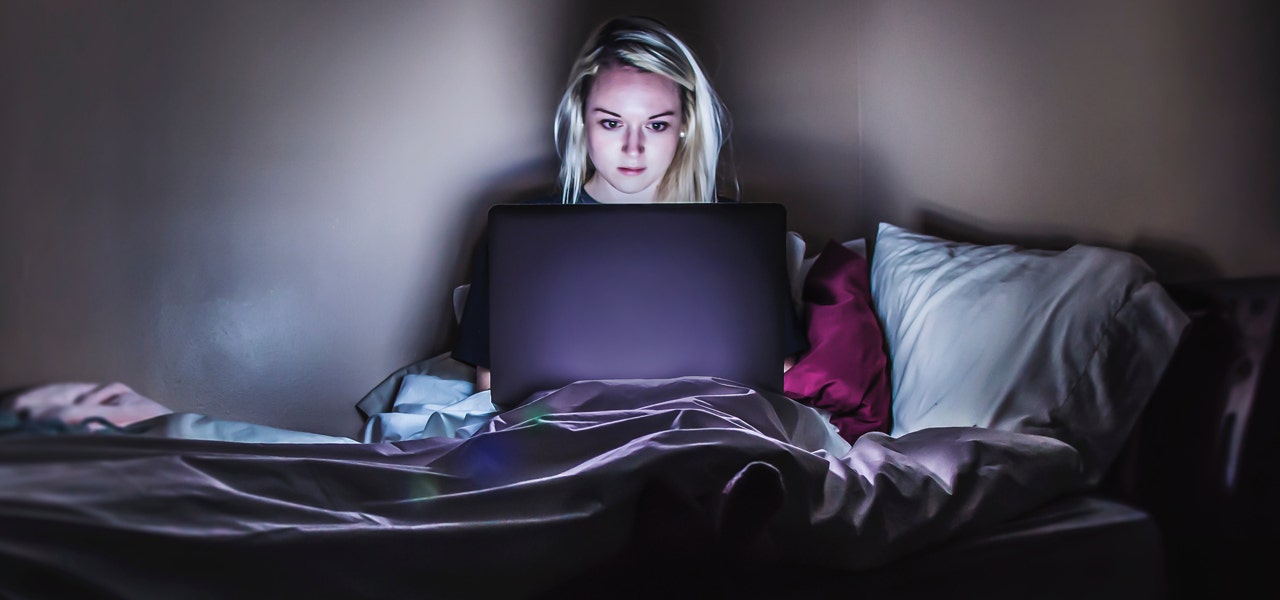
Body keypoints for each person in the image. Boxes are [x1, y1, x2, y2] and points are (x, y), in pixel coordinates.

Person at [452, 15, 807, 392]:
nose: (633, 148)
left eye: (656, 125)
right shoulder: (519, 236)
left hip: (698, 426)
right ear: (581, 119)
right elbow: (492, 381)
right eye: (611, 123)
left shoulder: (737, 234)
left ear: (684, 125)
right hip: (567, 432)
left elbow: (777, 368)